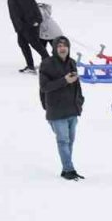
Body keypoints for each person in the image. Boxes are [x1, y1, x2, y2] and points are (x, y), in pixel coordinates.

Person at [39, 35, 84, 180]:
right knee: (63, 141)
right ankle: (69, 169)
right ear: (54, 48)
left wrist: (80, 101)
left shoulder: (71, 62)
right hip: (56, 111)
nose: (62, 48)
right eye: (59, 46)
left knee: (70, 141)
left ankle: (66, 169)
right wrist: (64, 80)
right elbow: (45, 87)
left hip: (72, 109)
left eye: (65, 46)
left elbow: (77, 85)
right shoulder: (47, 64)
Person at [2, 0, 49, 72]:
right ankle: (30, 66)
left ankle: (49, 65)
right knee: (23, 43)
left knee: (35, 43)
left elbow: (28, 6)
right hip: (22, 23)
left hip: (29, 22)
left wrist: (33, 21)